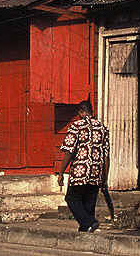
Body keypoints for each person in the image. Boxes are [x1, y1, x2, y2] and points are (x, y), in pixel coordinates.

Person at [57, 99, 110, 232]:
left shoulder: (76, 126)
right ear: (92, 111)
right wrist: (105, 177)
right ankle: (86, 228)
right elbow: (106, 155)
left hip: (80, 171)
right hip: (96, 171)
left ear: (81, 112)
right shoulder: (102, 128)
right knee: (89, 202)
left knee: (71, 198)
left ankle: (90, 222)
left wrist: (61, 172)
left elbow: (70, 151)